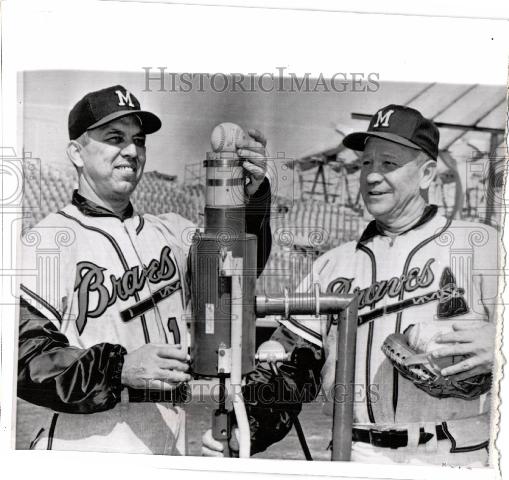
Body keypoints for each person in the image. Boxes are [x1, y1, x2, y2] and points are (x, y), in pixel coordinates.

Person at [202, 104, 499, 466]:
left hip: (456, 451)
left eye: (388, 163)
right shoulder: (333, 263)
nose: (372, 176)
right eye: (366, 164)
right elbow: (295, 370)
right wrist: (245, 427)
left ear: (427, 174)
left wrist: (500, 345)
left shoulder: (483, 245)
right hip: (357, 452)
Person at [17, 85, 272, 454]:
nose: (132, 151)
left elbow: (234, 281)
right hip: (83, 444)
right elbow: (24, 358)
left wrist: (249, 200)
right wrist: (117, 368)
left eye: (139, 140)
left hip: (166, 436)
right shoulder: (48, 241)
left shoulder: (172, 230)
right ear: (76, 151)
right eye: (114, 138)